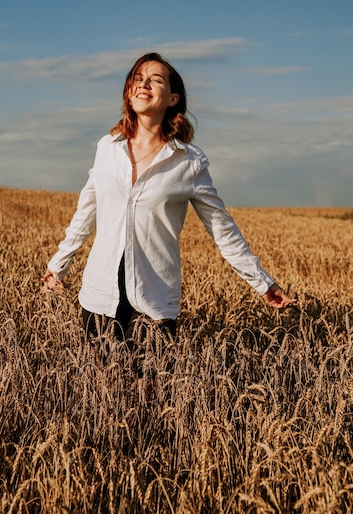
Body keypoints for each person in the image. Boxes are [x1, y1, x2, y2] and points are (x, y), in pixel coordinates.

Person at [42, 52, 296, 347]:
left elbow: (222, 230)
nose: (143, 84)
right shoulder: (107, 148)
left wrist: (262, 283)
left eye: (155, 80)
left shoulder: (188, 162)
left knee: (149, 391)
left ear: (173, 98)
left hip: (154, 300)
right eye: (137, 79)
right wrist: (58, 265)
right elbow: (85, 213)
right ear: (128, 92)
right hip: (99, 298)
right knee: (101, 390)